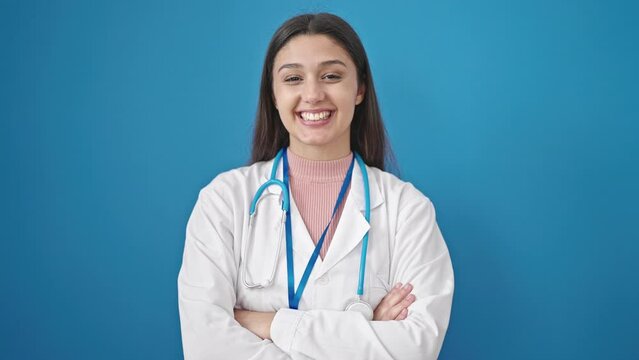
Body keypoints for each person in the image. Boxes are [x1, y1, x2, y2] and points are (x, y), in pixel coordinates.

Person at [178, 13, 454, 360]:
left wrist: (270, 324)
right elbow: (207, 347)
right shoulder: (224, 201)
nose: (312, 94)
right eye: (293, 78)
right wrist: (368, 333)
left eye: (331, 76)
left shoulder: (408, 210)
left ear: (360, 89)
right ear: (273, 94)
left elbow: (416, 347)